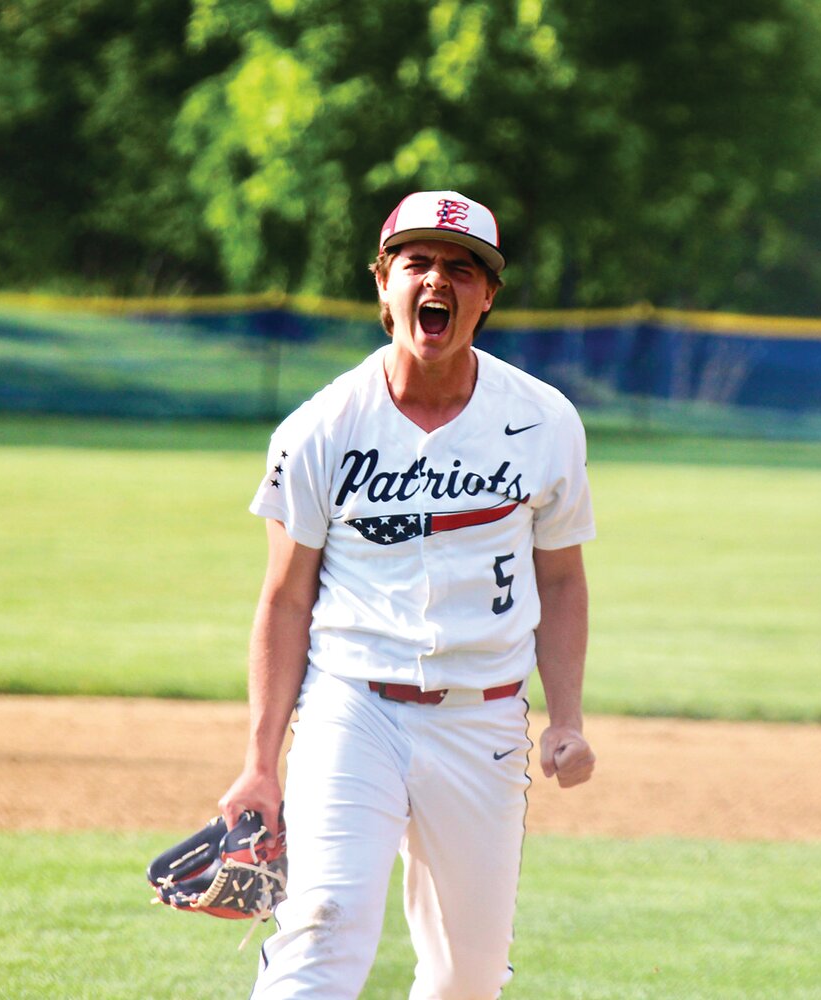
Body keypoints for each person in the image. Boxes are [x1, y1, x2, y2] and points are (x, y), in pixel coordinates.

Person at [219, 190, 597, 999]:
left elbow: (561, 579)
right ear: (383, 284)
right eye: (417, 263)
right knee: (322, 924)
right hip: (354, 706)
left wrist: (564, 716)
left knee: (467, 977)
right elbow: (285, 599)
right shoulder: (321, 428)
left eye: (463, 268)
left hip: (484, 718)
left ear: (487, 297)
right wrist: (259, 762)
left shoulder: (544, 421)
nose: (439, 280)